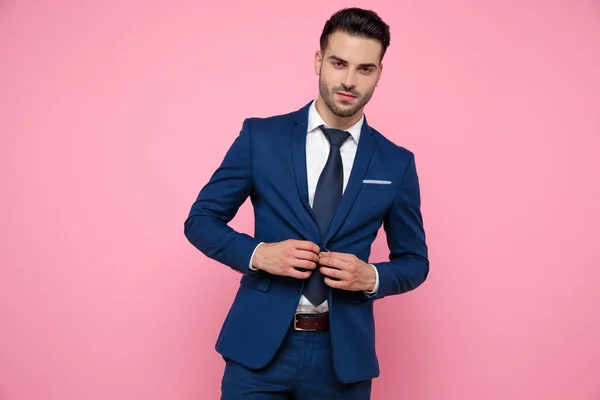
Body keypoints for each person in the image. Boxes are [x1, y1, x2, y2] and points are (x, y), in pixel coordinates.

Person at [184, 7, 429, 400]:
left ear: (379, 74)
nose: (349, 81)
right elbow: (201, 220)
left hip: (342, 360)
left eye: (365, 69)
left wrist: (373, 278)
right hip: (258, 354)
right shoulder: (261, 138)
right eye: (338, 63)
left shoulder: (395, 162)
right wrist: (258, 254)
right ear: (319, 61)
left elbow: (415, 261)